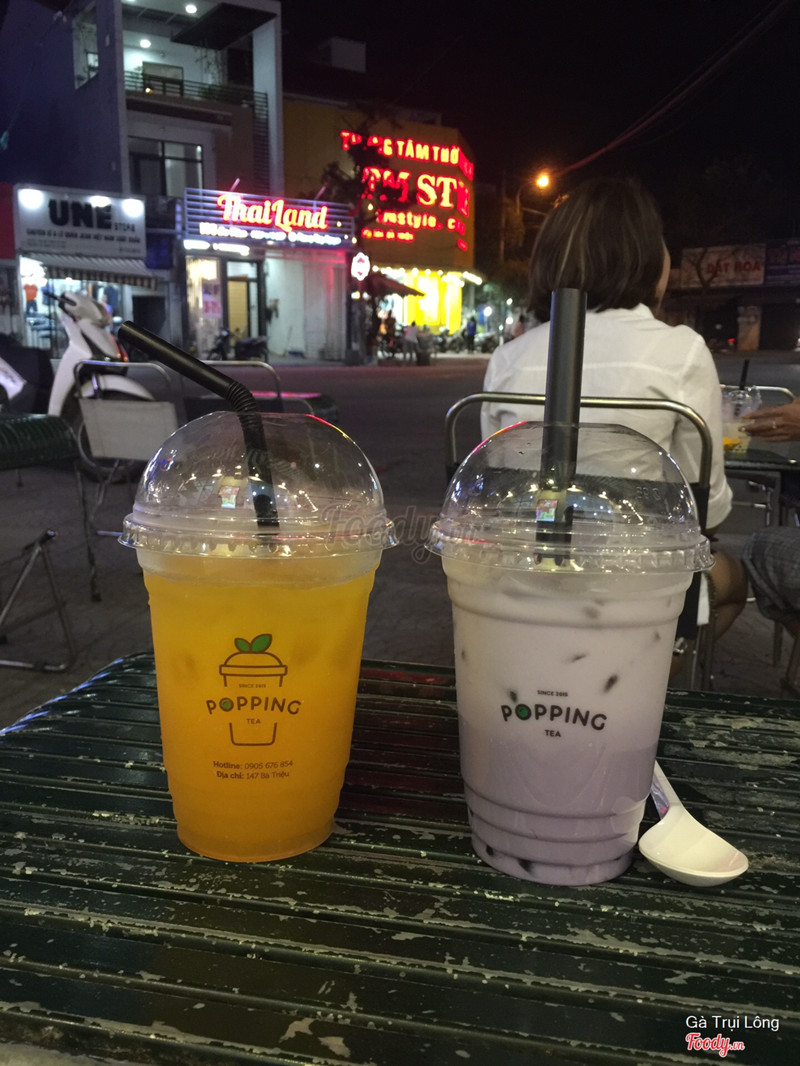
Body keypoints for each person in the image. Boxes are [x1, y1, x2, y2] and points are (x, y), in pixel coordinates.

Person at [481, 175, 747, 642]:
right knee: (737, 583)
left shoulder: (508, 358)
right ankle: (663, 664)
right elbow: (706, 510)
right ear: (649, 257)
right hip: (638, 596)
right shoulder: (682, 352)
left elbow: (494, 494)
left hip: (519, 586)